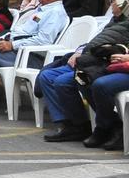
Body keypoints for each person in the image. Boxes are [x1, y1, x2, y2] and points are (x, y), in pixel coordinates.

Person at [39, 17, 129, 149]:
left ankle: (105, 128)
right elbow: (98, 41)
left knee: (100, 85)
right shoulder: (116, 21)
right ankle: (85, 125)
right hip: (110, 64)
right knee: (81, 77)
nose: (113, 3)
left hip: (123, 69)